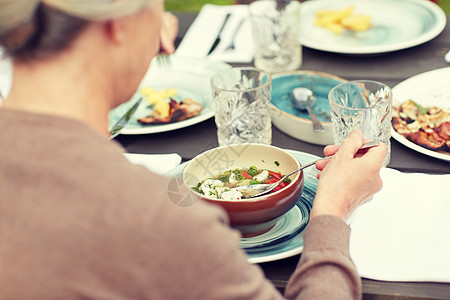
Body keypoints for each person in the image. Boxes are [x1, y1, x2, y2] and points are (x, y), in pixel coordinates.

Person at [0, 1, 387, 299]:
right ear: (117, 24)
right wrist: (333, 209)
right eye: (160, 10)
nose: (164, 28)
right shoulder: (157, 217)